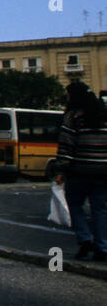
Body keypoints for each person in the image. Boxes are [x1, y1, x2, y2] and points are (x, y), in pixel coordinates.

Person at [53, 80, 107, 260]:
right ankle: (102, 247)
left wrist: (60, 170)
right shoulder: (104, 115)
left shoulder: (73, 117)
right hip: (103, 171)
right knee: (100, 209)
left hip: (79, 171)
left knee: (75, 206)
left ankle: (84, 240)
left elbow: (66, 146)